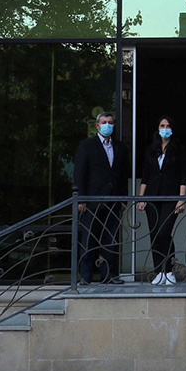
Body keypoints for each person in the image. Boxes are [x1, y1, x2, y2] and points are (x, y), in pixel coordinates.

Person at [73, 111, 129, 285]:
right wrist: (81, 199)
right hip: (92, 201)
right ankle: (85, 276)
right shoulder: (87, 146)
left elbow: (122, 175)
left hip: (113, 200)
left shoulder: (120, 148)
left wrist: (123, 199)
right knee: (89, 239)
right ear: (97, 126)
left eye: (110, 122)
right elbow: (80, 173)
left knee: (111, 239)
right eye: (104, 122)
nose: (107, 125)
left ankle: (109, 275)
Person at [137, 115, 186, 285]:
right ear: (157, 128)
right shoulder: (151, 149)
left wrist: (181, 199)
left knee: (164, 232)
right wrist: (140, 198)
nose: (165, 129)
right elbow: (145, 176)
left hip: (171, 197)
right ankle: (158, 271)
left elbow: (183, 176)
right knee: (154, 234)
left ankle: (169, 270)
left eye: (168, 126)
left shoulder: (179, 149)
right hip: (152, 197)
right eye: (162, 126)